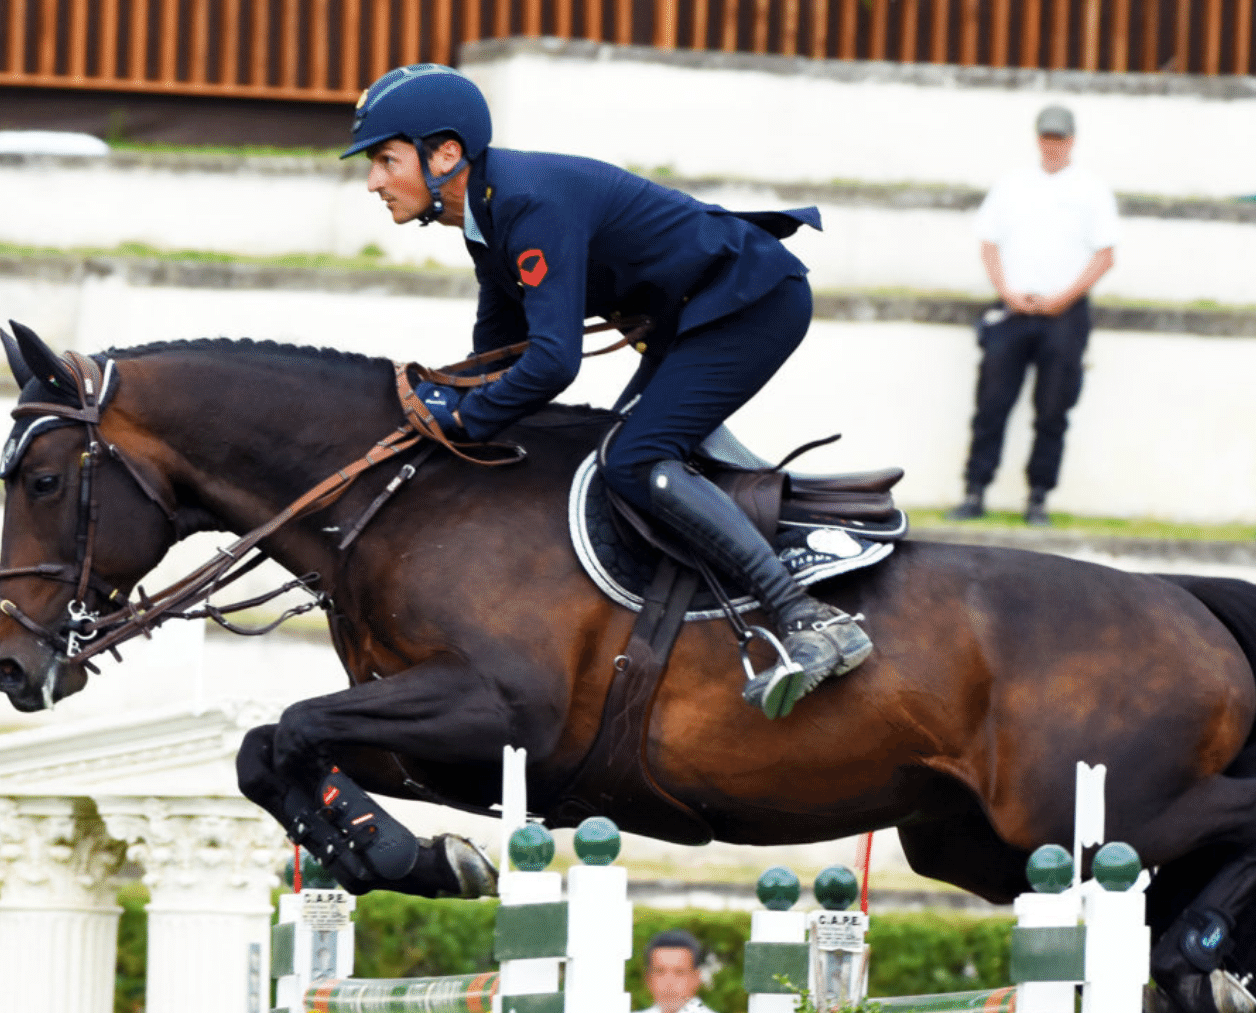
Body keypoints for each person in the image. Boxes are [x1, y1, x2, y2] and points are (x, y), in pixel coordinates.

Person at [343, 63, 872, 721]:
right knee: (611, 450)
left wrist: (467, 419)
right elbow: (497, 353)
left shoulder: (525, 205)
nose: (372, 181)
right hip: (698, 312)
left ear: (445, 153)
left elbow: (554, 362)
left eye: (385, 160)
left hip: (751, 304)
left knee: (633, 459)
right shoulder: (485, 217)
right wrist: (434, 411)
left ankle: (806, 616)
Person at [951, 105, 1119, 527]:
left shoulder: (1091, 190)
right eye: (1047, 137)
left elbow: (1105, 254)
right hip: (1013, 308)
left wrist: (1064, 298)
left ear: (1072, 140)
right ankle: (975, 490)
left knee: (1053, 408)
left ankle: (1038, 496)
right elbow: (988, 243)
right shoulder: (1012, 185)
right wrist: (1006, 291)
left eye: (1060, 138)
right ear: (1037, 138)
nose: (1053, 145)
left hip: (1064, 313)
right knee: (991, 402)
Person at [629, 929, 727, 1013]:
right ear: (648, 977)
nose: (669, 982)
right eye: (660, 971)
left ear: (696, 978)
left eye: (679, 972)